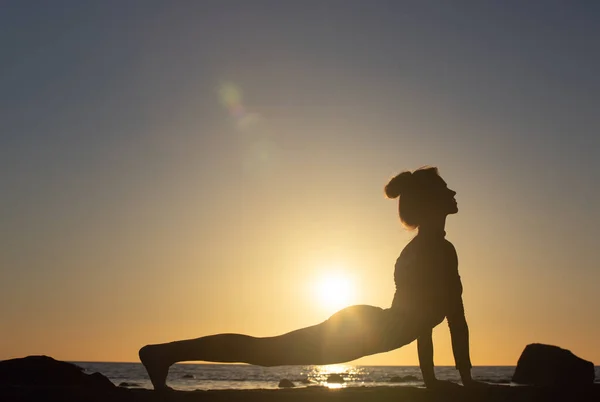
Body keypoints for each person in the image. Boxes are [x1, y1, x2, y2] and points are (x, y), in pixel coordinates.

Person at [139, 167, 476, 390]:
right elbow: (453, 320)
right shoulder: (438, 250)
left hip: (366, 326)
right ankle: (162, 354)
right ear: (432, 201)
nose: (454, 192)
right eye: (446, 189)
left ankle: (164, 354)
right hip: (364, 331)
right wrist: (466, 380)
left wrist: (432, 380)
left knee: (265, 349)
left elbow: (423, 321)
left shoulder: (422, 249)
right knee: (265, 351)